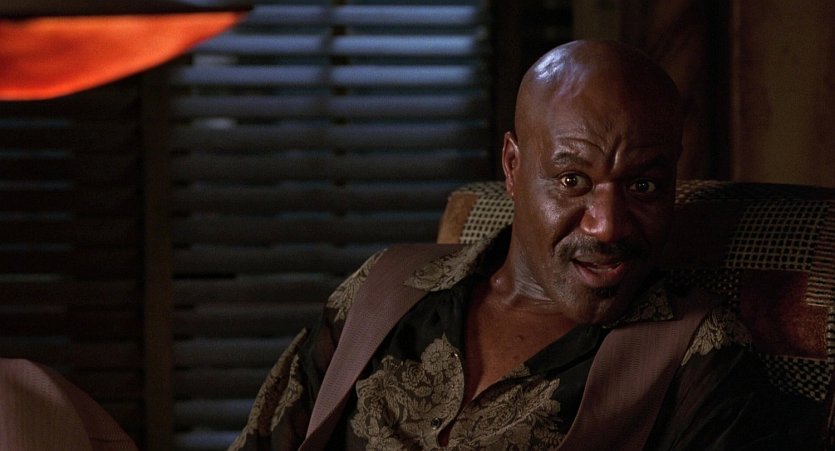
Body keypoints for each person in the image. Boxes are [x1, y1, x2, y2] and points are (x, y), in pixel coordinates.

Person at [228, 40, 815, 450]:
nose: (608, 227)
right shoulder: (382, 288)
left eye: (643, 186)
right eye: (572, 180)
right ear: (512, 166)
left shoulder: (696, 354)